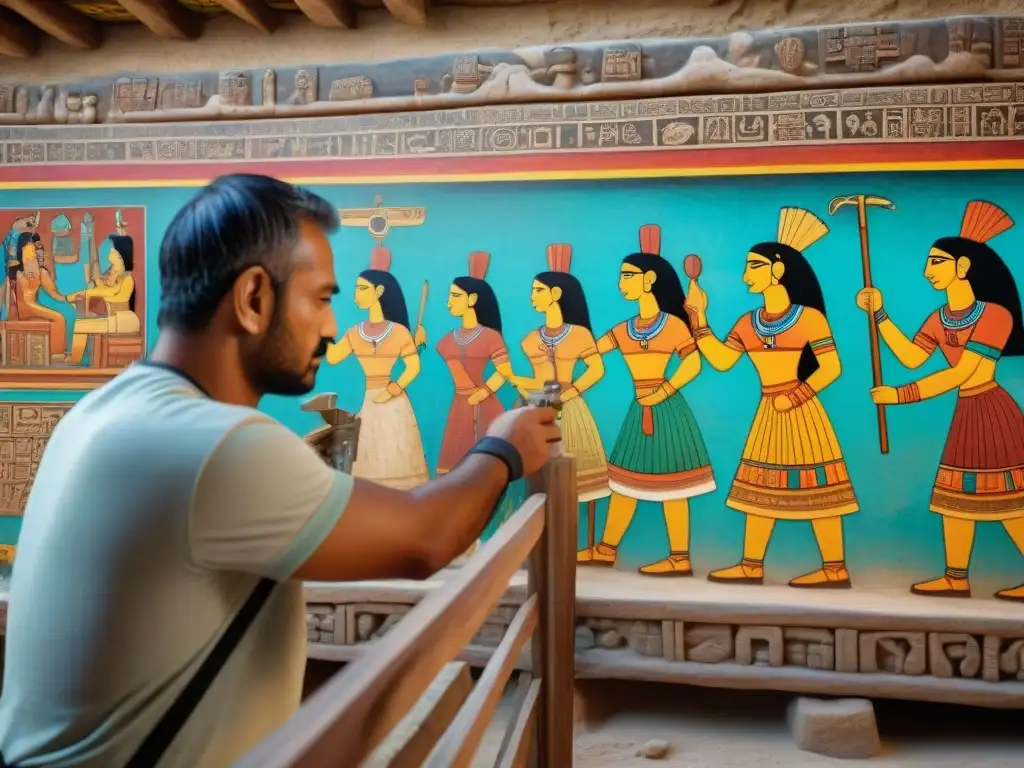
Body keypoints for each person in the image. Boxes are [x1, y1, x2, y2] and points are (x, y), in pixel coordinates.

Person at [0, 173, 560, 768]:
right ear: (253, 299)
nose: (331, 327)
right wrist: (503, 449)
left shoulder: (106, 410)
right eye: (320, 299)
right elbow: (426, 539)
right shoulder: (219, 445)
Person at [859, 199, 1024, 601]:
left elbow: (964, 372)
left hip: (991, 409)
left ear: (962, 267)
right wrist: (880, 316)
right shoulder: (941, 316)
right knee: (955, 499)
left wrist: (901, 395)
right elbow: (912, 356)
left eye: (936, 262)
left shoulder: (994, 315)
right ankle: (955, 577)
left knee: (1011, 502)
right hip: (967, 412)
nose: (927, 270)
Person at [687, 206, 858, 589]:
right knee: (759, 489)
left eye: (754, 266)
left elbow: (832, 368)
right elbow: (722, 360)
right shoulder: (749, 322)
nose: (745, 274)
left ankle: (834, 568)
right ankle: (751, 565)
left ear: (777, 271)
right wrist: (699, 318)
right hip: (768, 410)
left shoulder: (809, 318)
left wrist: (796, 396)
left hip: (801, 408)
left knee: (820, 491)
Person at [580, 225, 715, 576]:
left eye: (628, 276)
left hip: (667, 411)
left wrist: (664, 390)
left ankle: (680, 557)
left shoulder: (671, 325)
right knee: (623, 482)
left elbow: (694, 361)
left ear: (649, 279)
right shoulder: (625, 329)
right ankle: (607, 549)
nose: (621, 282)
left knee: (674, 486)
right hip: (638, 409)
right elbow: (588, 352)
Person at [508, 244, 611, 553]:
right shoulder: (529, 339)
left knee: (581, 478)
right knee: (540, 477)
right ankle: (540, 542)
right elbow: (536, 381)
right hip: (542, 403)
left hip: (571, 403)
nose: (532, 295)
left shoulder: (579, 334)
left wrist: (571, 391)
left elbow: (597, 368)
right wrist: (520, 386)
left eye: (538, 290)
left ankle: (587, 545)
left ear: (555, 294)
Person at [323, 245, 429, 490]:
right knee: (371, 461)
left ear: (379, 291)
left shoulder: (399, 332)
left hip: (394, 403)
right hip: (370, 401)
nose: (356, 295)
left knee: (396, 459)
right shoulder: (354, 332)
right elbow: (334, 357)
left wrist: (392, 390)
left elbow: (413, 367)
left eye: (362, 289)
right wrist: (323, 328)